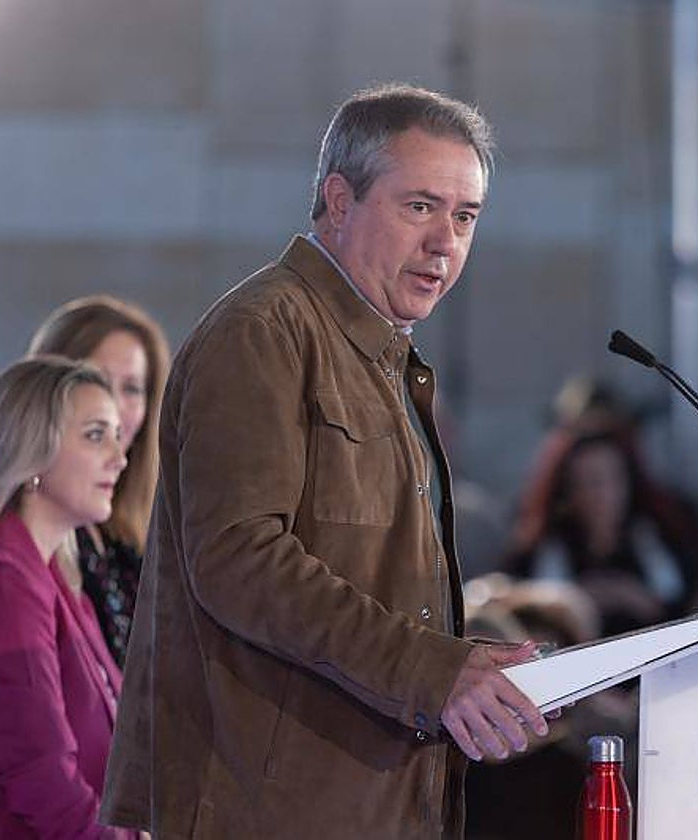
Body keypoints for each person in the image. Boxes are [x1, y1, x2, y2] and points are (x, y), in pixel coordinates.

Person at [101, 83, 547, 839]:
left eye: (465, 216)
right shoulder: (262, 333)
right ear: (339, 202)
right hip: (268, 809)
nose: (446, 242)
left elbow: (370, 586)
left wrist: (466, 667)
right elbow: (240, 561)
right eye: (420, 207)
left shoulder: (382, 355)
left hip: (366, 803)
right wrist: (432, 672)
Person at [0, 356, 136, 838]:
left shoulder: (52, 576)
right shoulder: (1, 586)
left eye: (117, 435)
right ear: (32, 452)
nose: (120, 456)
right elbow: (43, 780)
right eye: (96, 435)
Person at [28, 295, 170, 666]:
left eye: (133, 389)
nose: (116, 410)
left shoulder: (126, 541)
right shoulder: (35, 542)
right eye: (97, 381)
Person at [503, 428, 698, 635]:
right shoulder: (542, 548)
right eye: (588, 482)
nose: (602, 494)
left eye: (612, 478)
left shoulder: (663, 537)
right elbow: (516, 615)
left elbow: (690, 609)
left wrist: (633, 597)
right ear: (566, 490)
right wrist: (576, 599)